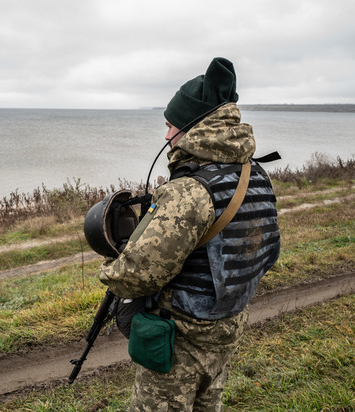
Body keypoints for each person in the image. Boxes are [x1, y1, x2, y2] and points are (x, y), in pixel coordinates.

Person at [98, 57, 280, 411]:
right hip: (229, 322)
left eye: (171, 126)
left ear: (195, 127)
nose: (166, 135)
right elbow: (266, 254)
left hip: (183, 334)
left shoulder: (189, 191)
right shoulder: (256, 174)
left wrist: (110, 269)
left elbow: (138, 275)